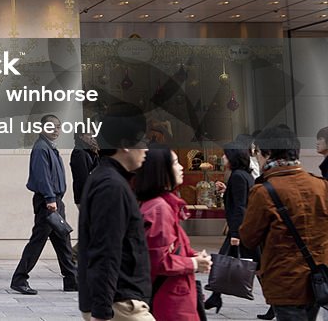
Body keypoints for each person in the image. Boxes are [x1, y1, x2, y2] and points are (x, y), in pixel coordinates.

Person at [240, 125, 328, 321]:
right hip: (319, 278)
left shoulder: (263, 191)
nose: (257, 158)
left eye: (258, 152)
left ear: (268, 153)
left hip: (285, 282)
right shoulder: (321, 186)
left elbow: (248, 238)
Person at [78, 102, 153, 321]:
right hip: (121, 305)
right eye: (143, 141)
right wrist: (102, 312)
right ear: (126, 145)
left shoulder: (108, 179)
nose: (147, 149)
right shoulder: (111, 186)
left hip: (118, 302)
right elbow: (105, 250)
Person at [136, 146, 211, 320]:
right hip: (171, 302)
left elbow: (172, 248)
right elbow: (158, 260)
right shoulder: (160, 208)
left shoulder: (162, 205)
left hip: (175, 296)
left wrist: (194, 256)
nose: (181, 167)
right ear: (162, 170)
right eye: (176, 163)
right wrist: (193, 263)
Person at [11, 114, 77, 295]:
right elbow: (42, 177)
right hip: (48, 202)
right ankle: (19, 278)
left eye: (58, 127)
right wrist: (50, 199)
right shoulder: (41, 148)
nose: (55, 130)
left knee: (63, 241)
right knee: (38, 241)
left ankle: (72, 280)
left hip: (55, 201)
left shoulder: (50, 147)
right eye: (51, 127)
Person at [205, 140, 258, 314]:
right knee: (227, 261)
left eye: (226, 154)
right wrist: (226, 191)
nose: (223, 157)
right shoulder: (244, 175)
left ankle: (215, 296)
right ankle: (215, 296)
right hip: (244, 228)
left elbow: (240, 206)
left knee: (225, 261)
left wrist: (235, 233)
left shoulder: (237, 176)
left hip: (240, 230)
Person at [70, 132, 99, 206]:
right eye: (89, 135)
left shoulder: (88, 151)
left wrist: (95, 152)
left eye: (92, 135)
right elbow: (83, 177)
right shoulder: (79, 152)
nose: (92, 137)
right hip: (84, 196)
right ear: (81, 136)